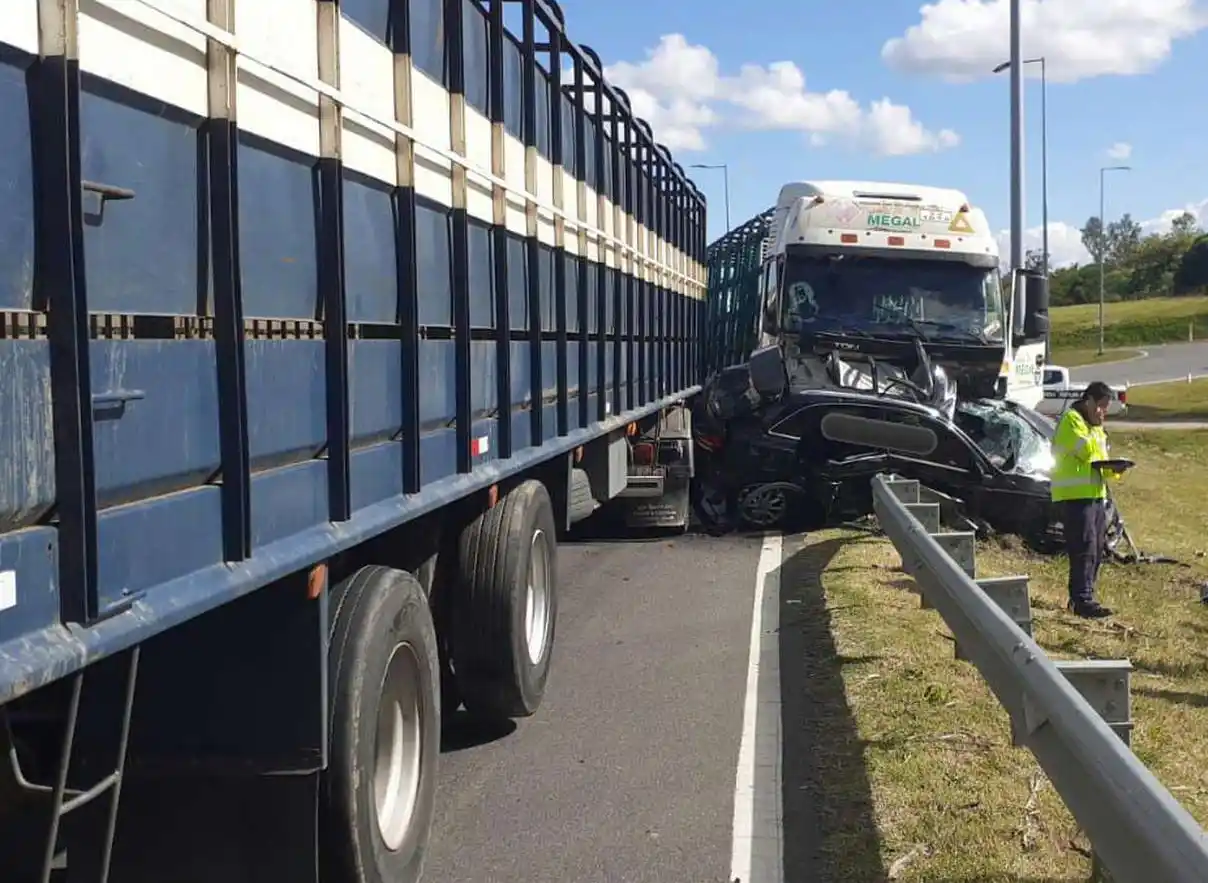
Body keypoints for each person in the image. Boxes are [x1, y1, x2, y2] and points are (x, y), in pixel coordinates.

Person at [1050, 381, 1126, 618]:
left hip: (1095, 495)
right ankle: (1081, 600)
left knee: (1096, 547)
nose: (1102, 412)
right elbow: (1086, 453)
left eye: (1106, 408)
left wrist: (1116, 468)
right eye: (1100, 406)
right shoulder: (1072, 420)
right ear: (1088, 400)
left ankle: (1087, 596)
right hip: (1074, 496)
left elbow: (1100, 463)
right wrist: (1098, 432)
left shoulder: (1094, 427)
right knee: (1083, 547)